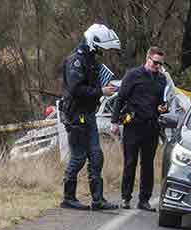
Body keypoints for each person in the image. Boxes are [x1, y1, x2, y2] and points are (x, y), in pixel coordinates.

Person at [60, 23, 121, 211]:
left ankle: (97, 199)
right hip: (76, 114)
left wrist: (104, 88)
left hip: (88, 113)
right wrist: (100, 91)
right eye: (101, 47)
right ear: (93, 42)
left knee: (96, 155)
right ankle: (68, 197)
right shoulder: (76, 61)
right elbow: (76, 89)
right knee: (78, 157)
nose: (103, 52)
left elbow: (91, 86)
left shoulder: (91, 59)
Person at [116, 47, 170, 210]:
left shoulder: (162, 80)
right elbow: (120, 98)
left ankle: (144, 199)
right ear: (147, 59)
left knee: (148, 164)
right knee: (130, 162)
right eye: (155, 62)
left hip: (151, 126)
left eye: (160, 64)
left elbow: (163, 102)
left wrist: (163, 108)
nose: (158, 66)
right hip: (133, 125)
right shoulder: (133, 75)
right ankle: (126, 198)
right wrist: (114, 122)